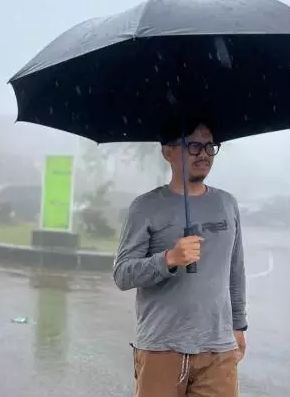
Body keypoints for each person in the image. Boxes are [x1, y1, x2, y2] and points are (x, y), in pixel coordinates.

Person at [113, 122, 247, 397]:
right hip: (161, 348)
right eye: (193, 145)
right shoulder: (145, 207)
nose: (204, 154)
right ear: (168, 151)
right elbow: (123, 274)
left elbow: (235, 270)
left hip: (218, 351)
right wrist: (169, 259)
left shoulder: (227, 204)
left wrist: (239, 325)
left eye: (209, 146)